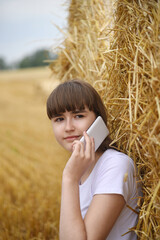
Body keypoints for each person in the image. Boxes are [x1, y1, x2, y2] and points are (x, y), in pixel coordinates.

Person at [46, 79, 140, 240]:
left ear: (99, 120)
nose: (68, 127)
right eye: (59, 119)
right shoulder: (80, 167)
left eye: (79, 116)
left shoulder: (116, 165)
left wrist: (69, 178)